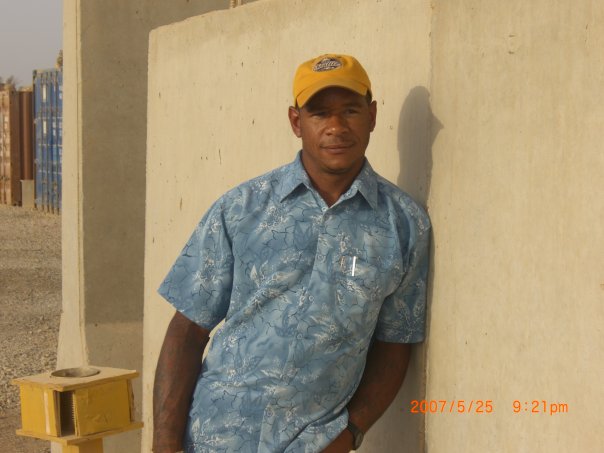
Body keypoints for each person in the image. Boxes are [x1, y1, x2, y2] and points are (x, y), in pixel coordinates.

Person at [153, 54, 431, 453]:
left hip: (313, 443)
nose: (336, 127)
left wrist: (351, 434)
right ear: (296, 122)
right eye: (320, 113)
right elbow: (187, 330)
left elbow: (396, 342)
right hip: (215, 437)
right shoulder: (241, 209)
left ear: (371, 116)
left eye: (350, 111)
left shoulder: (403, 225)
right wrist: (164, 444)